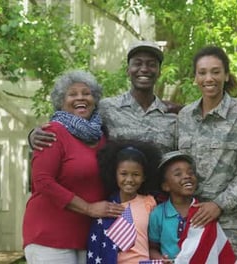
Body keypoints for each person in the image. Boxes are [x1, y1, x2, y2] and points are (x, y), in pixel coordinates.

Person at [22, 70, 125, 264]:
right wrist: (89, 208)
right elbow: (42, 181)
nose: (81, 98)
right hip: (50, 235)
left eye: (86, 93)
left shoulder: (102, 136)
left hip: (88, 237)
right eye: (73, 94)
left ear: (95, 100)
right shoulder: (52, 132)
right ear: (61, 102)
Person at [176, 46, 237, 263]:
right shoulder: (185, 116)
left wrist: (218, 204)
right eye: (202, 72)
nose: (208, 78)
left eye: (215, 71)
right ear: (195, 77)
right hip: (190, 217)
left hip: (229, 221)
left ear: (226, 75)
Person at [28, 40, 177, 153]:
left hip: (160, 193)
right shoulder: (106, 108)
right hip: (116, 194)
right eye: (137, 63)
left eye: (151, 64)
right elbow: (70, 123)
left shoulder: (172, 115)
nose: (144, 69)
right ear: (128, 70)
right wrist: (34, 134)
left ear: (159, 72)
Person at [148, 151, 237, 264]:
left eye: (190, 172)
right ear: (166, 186)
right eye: (178, 174)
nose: (187, 176)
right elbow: (152, 247)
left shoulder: (204, 212)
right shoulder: (157, 214)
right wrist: (160, 259)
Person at [87, 140, 161, 264]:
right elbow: (98, 246)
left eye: (136, 174)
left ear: (144, 177)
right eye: (123, 174)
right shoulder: (106, 208)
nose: (129, 179)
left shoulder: (149, 202)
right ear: (114, 174)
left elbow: (154, 240)